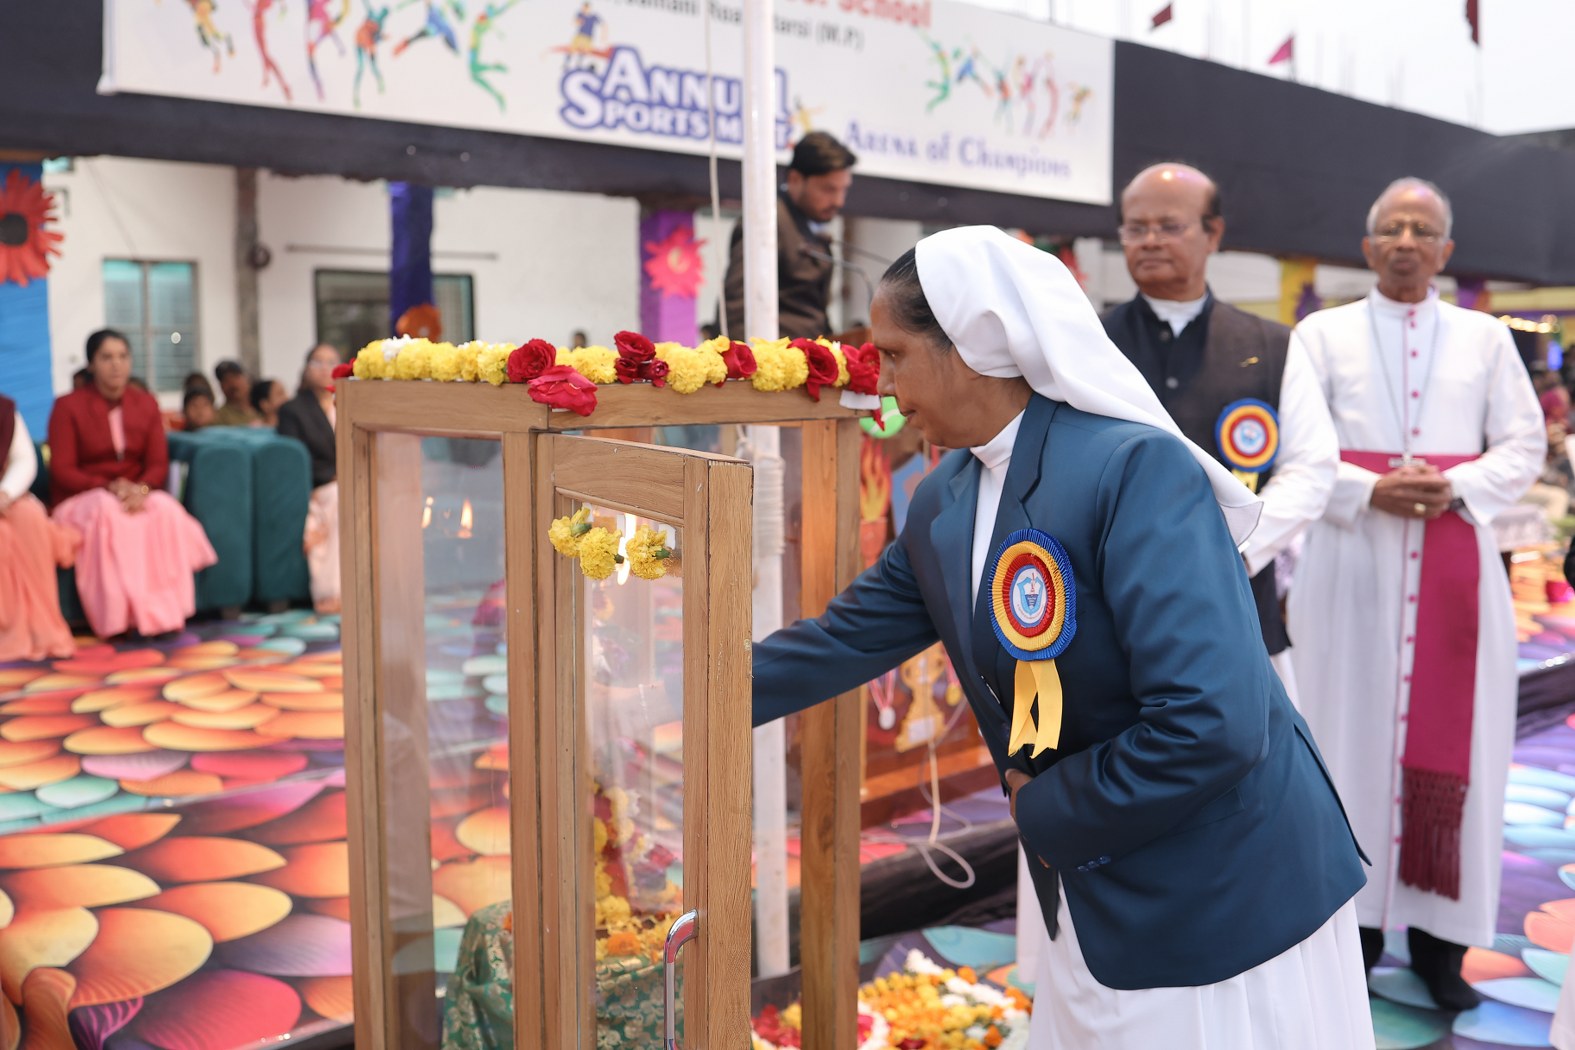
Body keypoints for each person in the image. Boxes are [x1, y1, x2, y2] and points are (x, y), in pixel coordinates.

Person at [753, 226, 1371, 1048]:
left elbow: (1212, 723)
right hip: (1094, 878)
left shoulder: (1135, 469)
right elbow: (844, 638)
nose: (885, 386)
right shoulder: (946, 493)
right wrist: (689, 689)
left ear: (976, 343)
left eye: (895, 355)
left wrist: (1043, 806)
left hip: (1215, 889)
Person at [1288, 178, 1545, 1010]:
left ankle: (1440, 949)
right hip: (1349, 570)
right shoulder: (1318, 335)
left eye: (1422, 229)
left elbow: (1522, 444)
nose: (1405, 241)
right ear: (1367, 247)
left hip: (1454, 565)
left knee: (1461, 751)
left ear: (1445, 251)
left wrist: (1456, 486)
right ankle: (1348, 943)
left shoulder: (1484, 339)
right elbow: (1297, 447)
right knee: (1341, 742)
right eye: (1391, 228)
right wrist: (1367, 490)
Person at [1102, 162, 1338, 704]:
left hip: (1238, 601)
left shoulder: (1273, 346)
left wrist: (1229, 549)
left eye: (1169, 226)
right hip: (1112, 603)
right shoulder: (1085, 343)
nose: (1150, 240)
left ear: (1213, 233)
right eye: (1136, 228)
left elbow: (1311, 466)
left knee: (1248, 748)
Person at [48, 329, 218, 639]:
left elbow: (157, 463)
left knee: (164, 508)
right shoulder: (67, 406)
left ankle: (164, 615)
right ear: (91, 364)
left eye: (123, 356)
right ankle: (120, 618)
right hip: (84, 497)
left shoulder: (145, 404)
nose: (116, 365)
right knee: (108, 512)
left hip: (135, 491)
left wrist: (141, 489)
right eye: (107, 357)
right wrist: (107, 486)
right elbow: (62, 469)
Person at [722, 131, 857, 341]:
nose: (839, 201)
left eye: (844, 190)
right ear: (795, 179)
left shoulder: (812, 226)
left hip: (809, 353)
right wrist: (747, 359)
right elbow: (737, 306)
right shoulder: (765, 223)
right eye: (828, 189)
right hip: (774, 355)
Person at [0, 393, 78, 661]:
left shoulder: (4, 408)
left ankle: (40, 630)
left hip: (4, 496)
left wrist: (6, 492)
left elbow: (24, 459)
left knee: (31, 517)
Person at [277, 344, 342, 614]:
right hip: (319, 485)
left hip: (354, 478)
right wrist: (332, 476)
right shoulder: (292, 410)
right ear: (306, 369)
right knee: (338, 497)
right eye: (317, 362)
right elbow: (293, 459)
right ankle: (330, 592)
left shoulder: (350, 403)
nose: (325, 368)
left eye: (331, 362)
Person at [213, 359, 259, 426]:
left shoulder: (264, 407)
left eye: (235, 377)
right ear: (221, 386)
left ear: (246, 379)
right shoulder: (218, 417)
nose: (233, 384)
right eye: (226, 380)